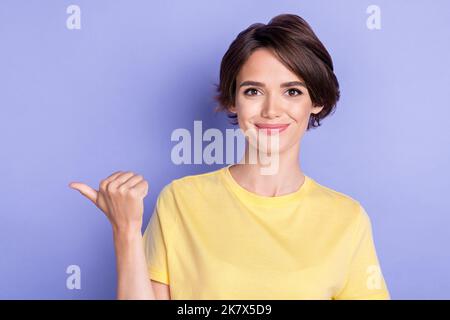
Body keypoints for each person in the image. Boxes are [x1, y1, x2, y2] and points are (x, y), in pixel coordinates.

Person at [69, 13, 390, 300]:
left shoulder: (347, 219)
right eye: (253, 90)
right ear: (233, 100)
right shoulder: (181, 201)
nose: (271, 110)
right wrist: (125, 231)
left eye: (292, 91)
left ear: (316, 100)